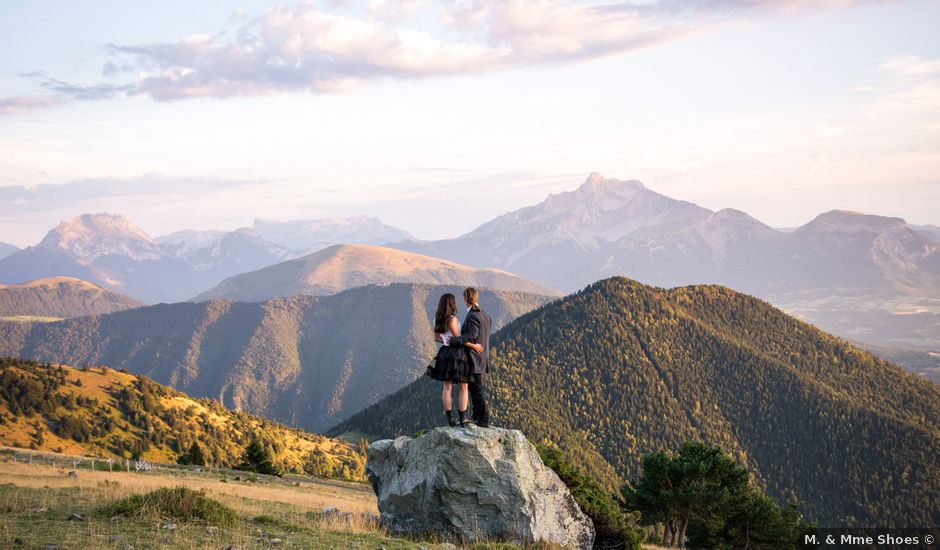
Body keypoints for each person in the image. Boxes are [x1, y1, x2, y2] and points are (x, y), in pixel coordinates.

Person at [429, 293, 484, 427]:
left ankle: (450, 419)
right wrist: (474, 345)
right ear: (452, 304)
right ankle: (463, 418)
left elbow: (436, 338)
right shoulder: (452, 320)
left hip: (444, 352)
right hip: (457, 354)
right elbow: (459, 339)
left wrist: (445, 340)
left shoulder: (437, 319)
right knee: (463, 386)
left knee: (447, 387)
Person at [447, 287, 493, 427]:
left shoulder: (473, 315)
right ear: (476, 297)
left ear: (465, 298)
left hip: (474, 358)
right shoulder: (485, 314)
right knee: (474, 389)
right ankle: (476, 416)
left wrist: (454, 340)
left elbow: (471, 336)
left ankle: (483, 419)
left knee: (477, 390)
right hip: (482, 357)